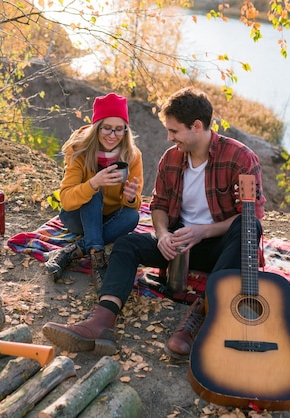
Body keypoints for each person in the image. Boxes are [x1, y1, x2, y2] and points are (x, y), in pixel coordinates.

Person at [42, 87, 266, 359]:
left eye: (174, 131)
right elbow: (158, 205)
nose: (169, 138)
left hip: (217, 248)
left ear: (196, 126)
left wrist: (202, 231)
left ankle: (198, 319)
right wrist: (161, 234)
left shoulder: (240, 158)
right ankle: (101, 322)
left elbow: (251, 214)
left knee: (250, 229)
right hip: (175, 246)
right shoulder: (171, 158)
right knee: (126, 244)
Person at [45, 93, 143, 288]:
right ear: (97, 127)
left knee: (132, 217)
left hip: (109, 218)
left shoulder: (132, 155)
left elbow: (135, 204)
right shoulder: (78, 149)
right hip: (78, 217)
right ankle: (98, 261)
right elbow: (66, 200)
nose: (112, 135)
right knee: (93, 192)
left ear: (126, 130)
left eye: (118, 129)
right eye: (107, 128)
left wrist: (131, 197)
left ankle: (69, 252)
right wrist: (93, 184)